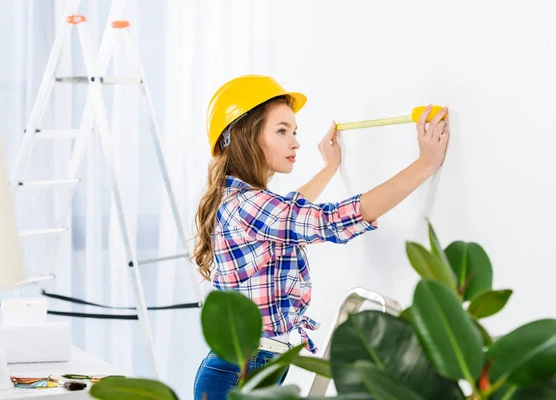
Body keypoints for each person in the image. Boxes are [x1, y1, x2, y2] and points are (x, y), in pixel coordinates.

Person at [192, 75, 449, 399]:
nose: (295, 142)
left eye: (294, 131)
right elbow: (328, 220)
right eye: (282, 130)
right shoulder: (250, 205)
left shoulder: (244, 201)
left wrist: (330, 168)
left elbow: (288, 213)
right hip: (241, 370)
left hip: (246, 365)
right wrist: (424, 165)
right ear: (246, 135)